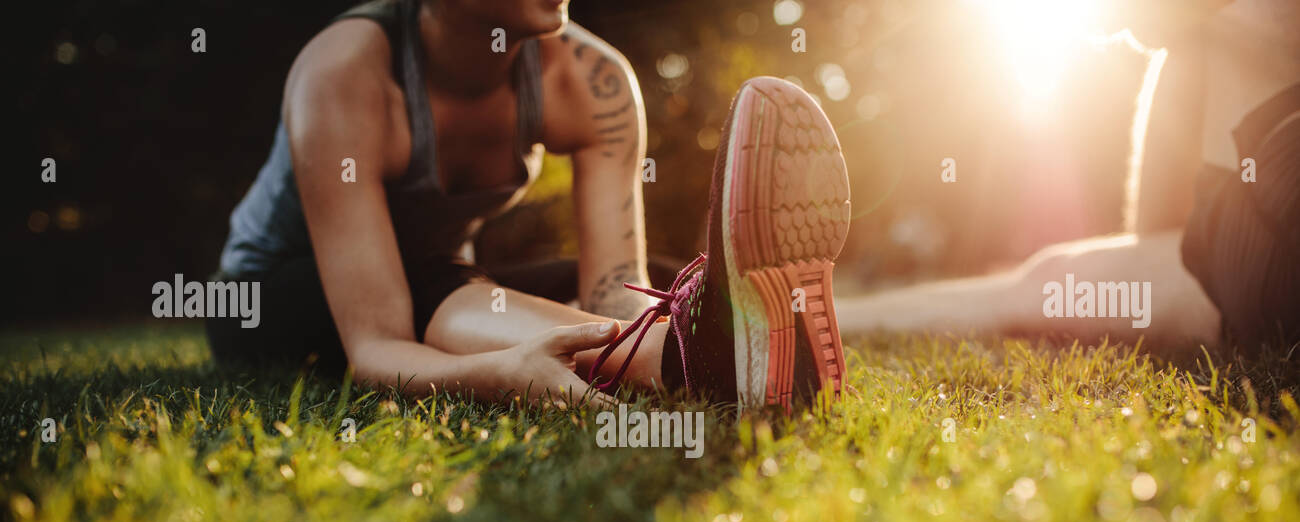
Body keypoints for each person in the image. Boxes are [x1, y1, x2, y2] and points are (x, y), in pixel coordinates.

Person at [208, 0, 851, 412]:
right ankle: (691, 363)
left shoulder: (591, 79)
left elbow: (611, 288)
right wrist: (498, 372)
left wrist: (636, 321)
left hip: (437, 280)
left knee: (656, 271)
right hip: (265, 295)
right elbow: (377, 344)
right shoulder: (345, 71)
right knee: (435, 280)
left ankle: (718, 336)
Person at [837, 0, 1299, 352]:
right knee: (1057, 279)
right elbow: (1150, 255)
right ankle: (836, 317)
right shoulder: (1210, 44)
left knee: (1054, 284)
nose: (1110, 32)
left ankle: (835, 318)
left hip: (1277, 249)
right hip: (1261, 252)